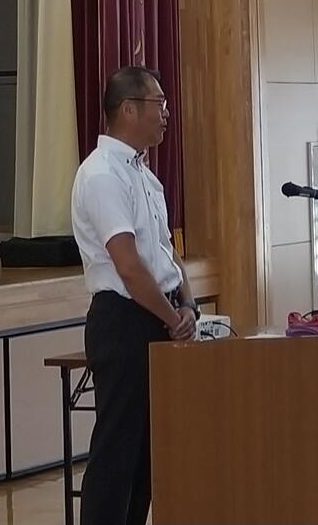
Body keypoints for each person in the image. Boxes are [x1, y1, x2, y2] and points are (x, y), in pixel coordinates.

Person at [71, 66, 199, 525]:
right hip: (124, 320)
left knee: (147, 453)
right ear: (128, 109)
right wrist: (171, 316)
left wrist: (187, 304)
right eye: (158, 104)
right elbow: (127, 264)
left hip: (158, 315)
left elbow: (165, 252)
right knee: (118, 451)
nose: (166, 114)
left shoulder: (142, 173)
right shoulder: (102, 174)